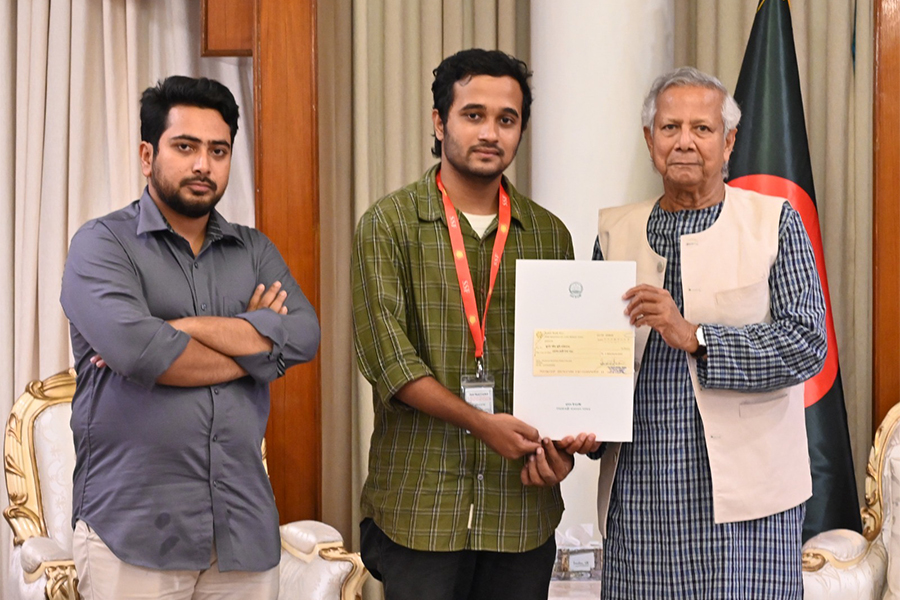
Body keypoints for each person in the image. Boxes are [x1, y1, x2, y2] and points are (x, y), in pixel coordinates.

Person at [60, 75, 320, 599]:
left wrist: (179, 329)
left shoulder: (254, 252)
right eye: (186, 147)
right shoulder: (101, 245)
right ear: (146, 155)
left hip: (242, 530)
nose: (204, 164)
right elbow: (140, 351)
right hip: (133, 531)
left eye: (218, 150)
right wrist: (256, 344)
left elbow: (304, 335)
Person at [351, 48, 598, 600]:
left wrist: (562, 445)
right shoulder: (388, 225)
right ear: (440, 124)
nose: (491, 132)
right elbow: (389, 361)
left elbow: (561, 365)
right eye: (474, 115)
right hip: (421, 510)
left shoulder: (548, 235)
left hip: (520, 509)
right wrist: (481, 423)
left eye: (506, 119)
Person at [593, 66, 827, 598]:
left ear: (729, 141)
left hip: (749, 504)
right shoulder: (615, 230)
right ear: (649, 141)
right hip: (640, 497)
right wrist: (580, 426)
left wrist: (697, 334)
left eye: (702, 128)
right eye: (670, 127)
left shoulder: (773, 223)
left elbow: (806, 345)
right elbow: (594, 356)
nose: (684, 142)